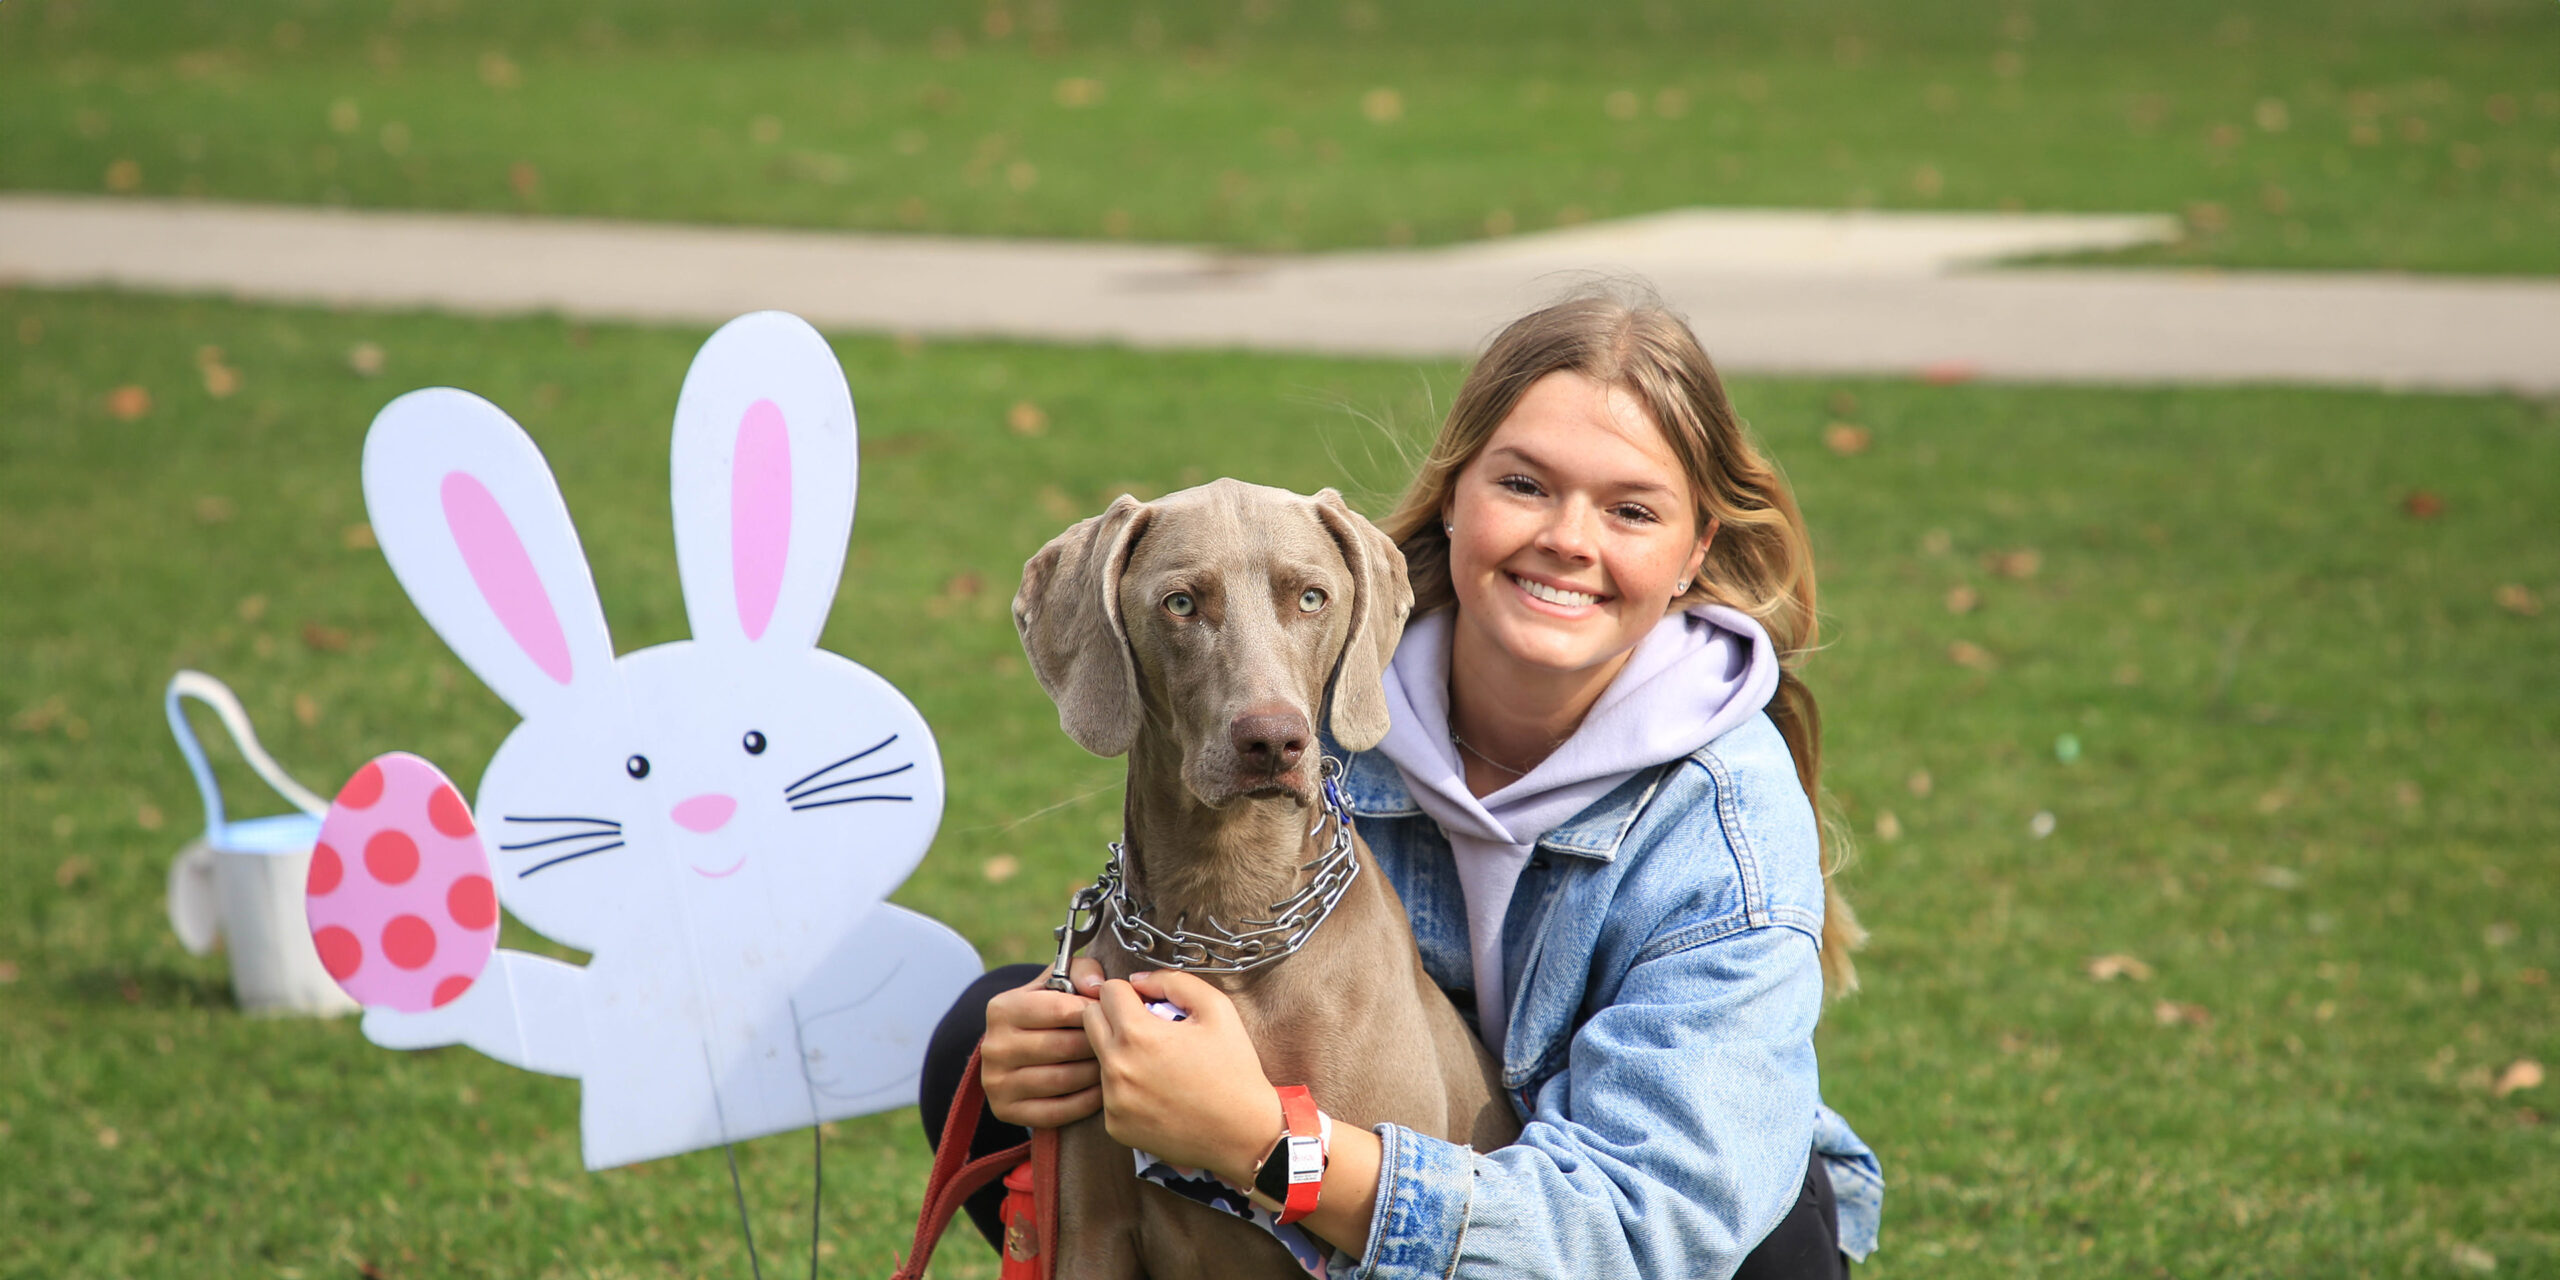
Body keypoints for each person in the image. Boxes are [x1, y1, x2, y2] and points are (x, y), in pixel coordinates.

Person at [922, 286, 1883, 1278]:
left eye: (1630, 508)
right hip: (1369, 1170)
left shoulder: (1721, 824)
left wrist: (1264, 1140)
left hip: (1631, 1215)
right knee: (987, 1042)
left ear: (1693, 550)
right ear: (1456, 492)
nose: (1569, 538)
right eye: (1524, 484)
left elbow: (1642, 1224)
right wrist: (1051, 1041)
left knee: (1765, 1244)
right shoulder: (1308, 694)